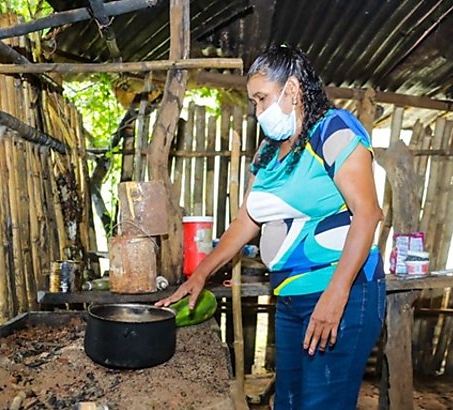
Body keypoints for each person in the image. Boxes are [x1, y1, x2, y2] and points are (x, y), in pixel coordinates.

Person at [157, 44, 385, 409]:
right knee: (288, 403)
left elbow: (369, 213)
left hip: (340, 293)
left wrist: (336, 295)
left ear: (292, 90)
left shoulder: (333, 131)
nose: (258, 110)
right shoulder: (268, 150)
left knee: (321, 404)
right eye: (254, 102)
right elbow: (247, 219)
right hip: (291, 297)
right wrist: (201, 273)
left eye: (262, 98)